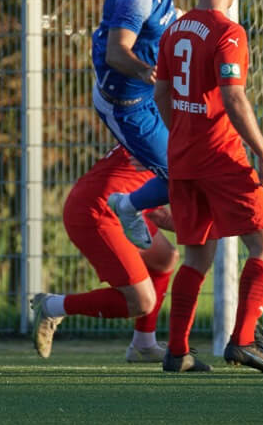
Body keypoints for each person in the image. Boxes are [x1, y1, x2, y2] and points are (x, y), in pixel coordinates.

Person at [153, 0, 263, 373]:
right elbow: (232, 95)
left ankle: (177, 351)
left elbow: (161, 93)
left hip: (184, 157)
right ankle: (243, 340)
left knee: (196, 256)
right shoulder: (229, 33)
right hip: (221, 157)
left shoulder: (175, 30)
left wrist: (181, 132)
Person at [91, 0, 186, 250]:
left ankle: (177, 215)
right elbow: (117, 52)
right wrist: (145, 71)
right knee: (181, 173)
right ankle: (127, 206)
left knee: (191, 159)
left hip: (146, 95)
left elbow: (160, 22)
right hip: (127, 105)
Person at [30, 145, 179, 362]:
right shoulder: (176, 138)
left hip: (117, 207)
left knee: (164, 258)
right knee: (141, 301)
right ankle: (51, 306)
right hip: (97, 212)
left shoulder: (163, 132)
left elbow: (157, 208)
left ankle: (143, 345)